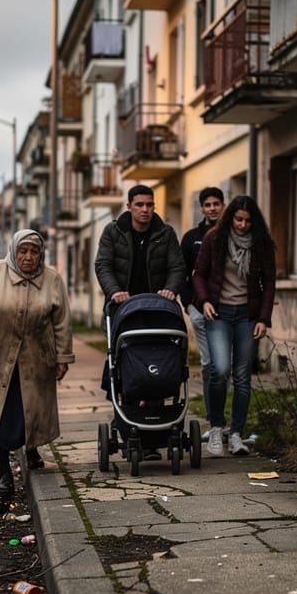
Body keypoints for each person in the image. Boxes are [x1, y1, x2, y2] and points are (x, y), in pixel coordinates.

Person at [0, 229, 74, 497]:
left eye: (34, 252)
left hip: (36, 359)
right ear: (13, 251)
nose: (28, 257)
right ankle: (4, 472)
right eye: (23, 251)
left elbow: (62, 323)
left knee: (31, 412)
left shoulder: (52, 279)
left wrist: (63, 357)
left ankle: (31, 450)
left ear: (41, 255)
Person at [94, 185, 185, 460]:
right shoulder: (114, 232)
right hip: (124, 310)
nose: (145, 210)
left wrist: (171, 289)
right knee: (124, 366)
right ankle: (127, 420)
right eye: (140, 205)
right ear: (129, 206)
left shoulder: (165, 233)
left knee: (157, 366)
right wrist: (114, 292)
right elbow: (103, 265)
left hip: (157, 311)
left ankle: (152, 434)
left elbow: (177, 266)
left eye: (150, 204)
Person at [193, 196, 276, 457]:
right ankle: (217, 428)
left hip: (247, 316)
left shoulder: (261, 243)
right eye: (238, 219)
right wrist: (204, 301)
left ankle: (237, 434)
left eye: (248, 221)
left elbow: (269, 284)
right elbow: (199, 275)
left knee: (242, 376)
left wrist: (263, 318)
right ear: (231, 217)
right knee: (219, 369)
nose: (242, 225)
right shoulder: (214, 238)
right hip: (218, 313)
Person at [179, 187, 225, 406]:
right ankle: (213, 417)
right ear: (202, 208)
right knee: (210, 364)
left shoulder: (233, 234)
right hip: (199, 308)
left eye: (216, 203)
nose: (212, 208)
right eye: (208, 205)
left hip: (228, 307)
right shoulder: (191, 238)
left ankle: (227, 419)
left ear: (223, 205)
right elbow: (182, 274)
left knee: (228, 366)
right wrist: (188, 305)